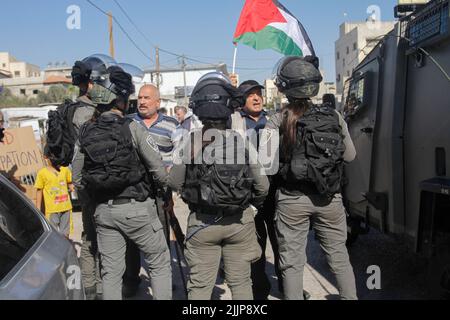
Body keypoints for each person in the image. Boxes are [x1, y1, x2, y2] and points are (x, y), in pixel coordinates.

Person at [72, 66, 172, 300]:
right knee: (158, 262)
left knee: (111, 273)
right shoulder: (133, 127)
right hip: (137, 209)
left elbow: (77, 177)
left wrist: (94, 202)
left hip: (103, 213)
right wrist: (164, 191)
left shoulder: (85, 131)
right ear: (122, 100)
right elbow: (158, 168)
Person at [168, 72, 269, 300]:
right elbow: (263, 185)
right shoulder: (242, 141)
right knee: (242, 283)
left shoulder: (190, 141)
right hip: (239, 222)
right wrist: (252, 207)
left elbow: (174, 181)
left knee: (200, 288)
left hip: (202, 223)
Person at [265, 56, 357, 300]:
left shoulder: (275, 119)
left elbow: (268, 166)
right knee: (339, 257)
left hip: (292, 200)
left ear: (285, 87)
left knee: (292, 263)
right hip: (329, 198)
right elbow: (350, 155)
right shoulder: (334, 117)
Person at [35, 148, 74, 239]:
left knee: (65, 234)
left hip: (66, 208)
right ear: (45, 157)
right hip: (52, 211)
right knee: (53, 235)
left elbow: (70, 182)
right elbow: (39, 190)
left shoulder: (65, 170)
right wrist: (38, 209)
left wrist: (72, 187)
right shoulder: (42, 173)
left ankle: (65, 250)